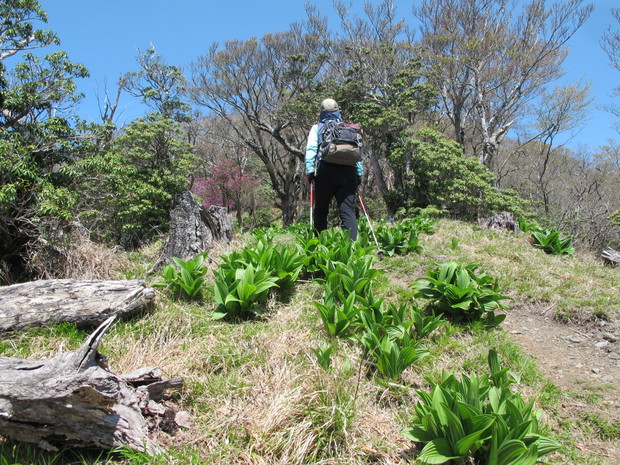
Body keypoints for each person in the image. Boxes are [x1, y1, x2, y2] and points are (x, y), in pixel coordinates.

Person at [305, 98, 363, 240]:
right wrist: (358, 175)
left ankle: (320, 246)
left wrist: (310, 172)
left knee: (321, 210)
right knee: (347, 212)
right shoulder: (349, 128)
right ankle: (351, 248)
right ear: (338, 111)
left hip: (326, 171)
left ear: (322, 112)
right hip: (349, 172)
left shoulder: (317, 128)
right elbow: (359, 153)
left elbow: (311, 150)